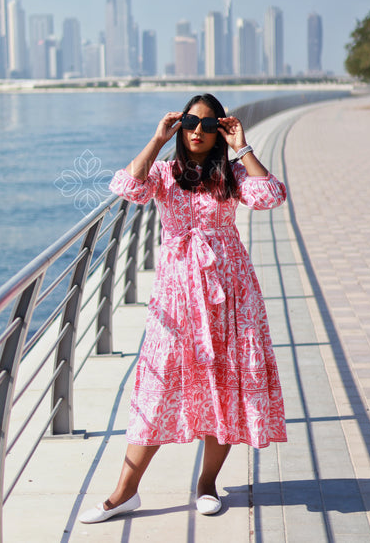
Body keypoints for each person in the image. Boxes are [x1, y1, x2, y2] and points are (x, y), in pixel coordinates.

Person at [79, 93, 287, 523]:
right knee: (156, 393)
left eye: (209, 126)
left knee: (225, 389)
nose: (198, 131)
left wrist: (242, 147)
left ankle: (207, 484)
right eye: (192, 123)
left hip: (230, 294)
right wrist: (156, 140)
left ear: (220, 131)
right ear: (181, 125)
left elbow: (272, 195)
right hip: (176, 297)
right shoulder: (164, 173)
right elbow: (125, 187)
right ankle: (124, 492)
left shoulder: (230, 174)